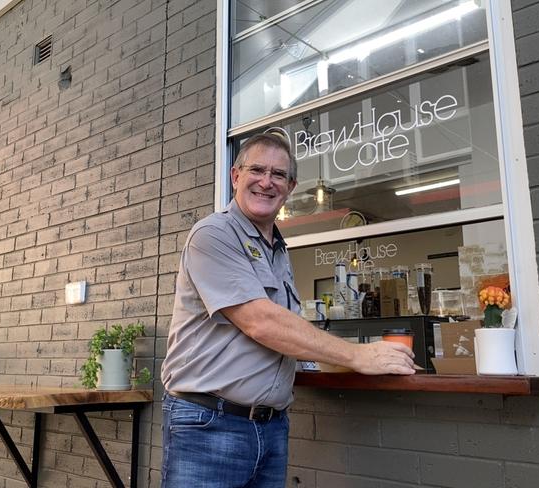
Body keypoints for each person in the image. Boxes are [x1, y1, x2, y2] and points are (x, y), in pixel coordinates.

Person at [161, 132, 415, 488]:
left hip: (271, 427)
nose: (267, 182)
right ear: (236, 176)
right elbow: (261, 322)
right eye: (257, 170)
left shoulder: (278, 250)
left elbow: (285, 330)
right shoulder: (213, 235)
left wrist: (331, 360)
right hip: (209, 425)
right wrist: (358, 355)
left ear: (291, 186)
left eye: (278, 175)